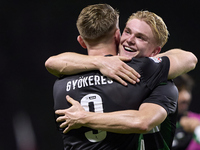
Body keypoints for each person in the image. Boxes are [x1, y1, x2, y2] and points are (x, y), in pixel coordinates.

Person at [45, 4, 197, 149]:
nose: (130, 39)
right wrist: (101, 62)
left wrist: (84, 118)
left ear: (155, 52)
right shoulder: (143, 72)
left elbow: (51, 62)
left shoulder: (61, 83)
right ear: (118, 35)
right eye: (128, 31)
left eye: (141, 37)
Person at [172, 74, 200, 150]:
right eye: (179, 90)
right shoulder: (155, 124)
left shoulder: (197, 121)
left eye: (188, 90)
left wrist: (197, 129)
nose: (186, 97)